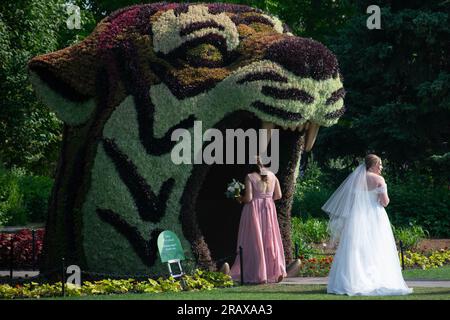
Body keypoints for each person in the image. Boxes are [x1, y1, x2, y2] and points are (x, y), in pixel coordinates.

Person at [323, 154, 413, 296]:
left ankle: (352, 280)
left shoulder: (356, 179)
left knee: (356, 249)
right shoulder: (379, 179)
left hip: (357, 217)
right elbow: (385, 202)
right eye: (380, 164)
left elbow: (351, 201)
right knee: (377, 247)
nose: (381, 167)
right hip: (375, 216)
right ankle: (376, 279)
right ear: (373, 165)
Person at [229, 161, 287, 284]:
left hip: (254, 210)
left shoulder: (250, 177)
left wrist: (238, 197)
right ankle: (275, 271)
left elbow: (249, 198)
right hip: (269, 209)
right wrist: (267, 198)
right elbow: (279, 195)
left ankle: (260, 274)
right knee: (270, 240)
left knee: (254, 241)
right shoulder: (272, 175)